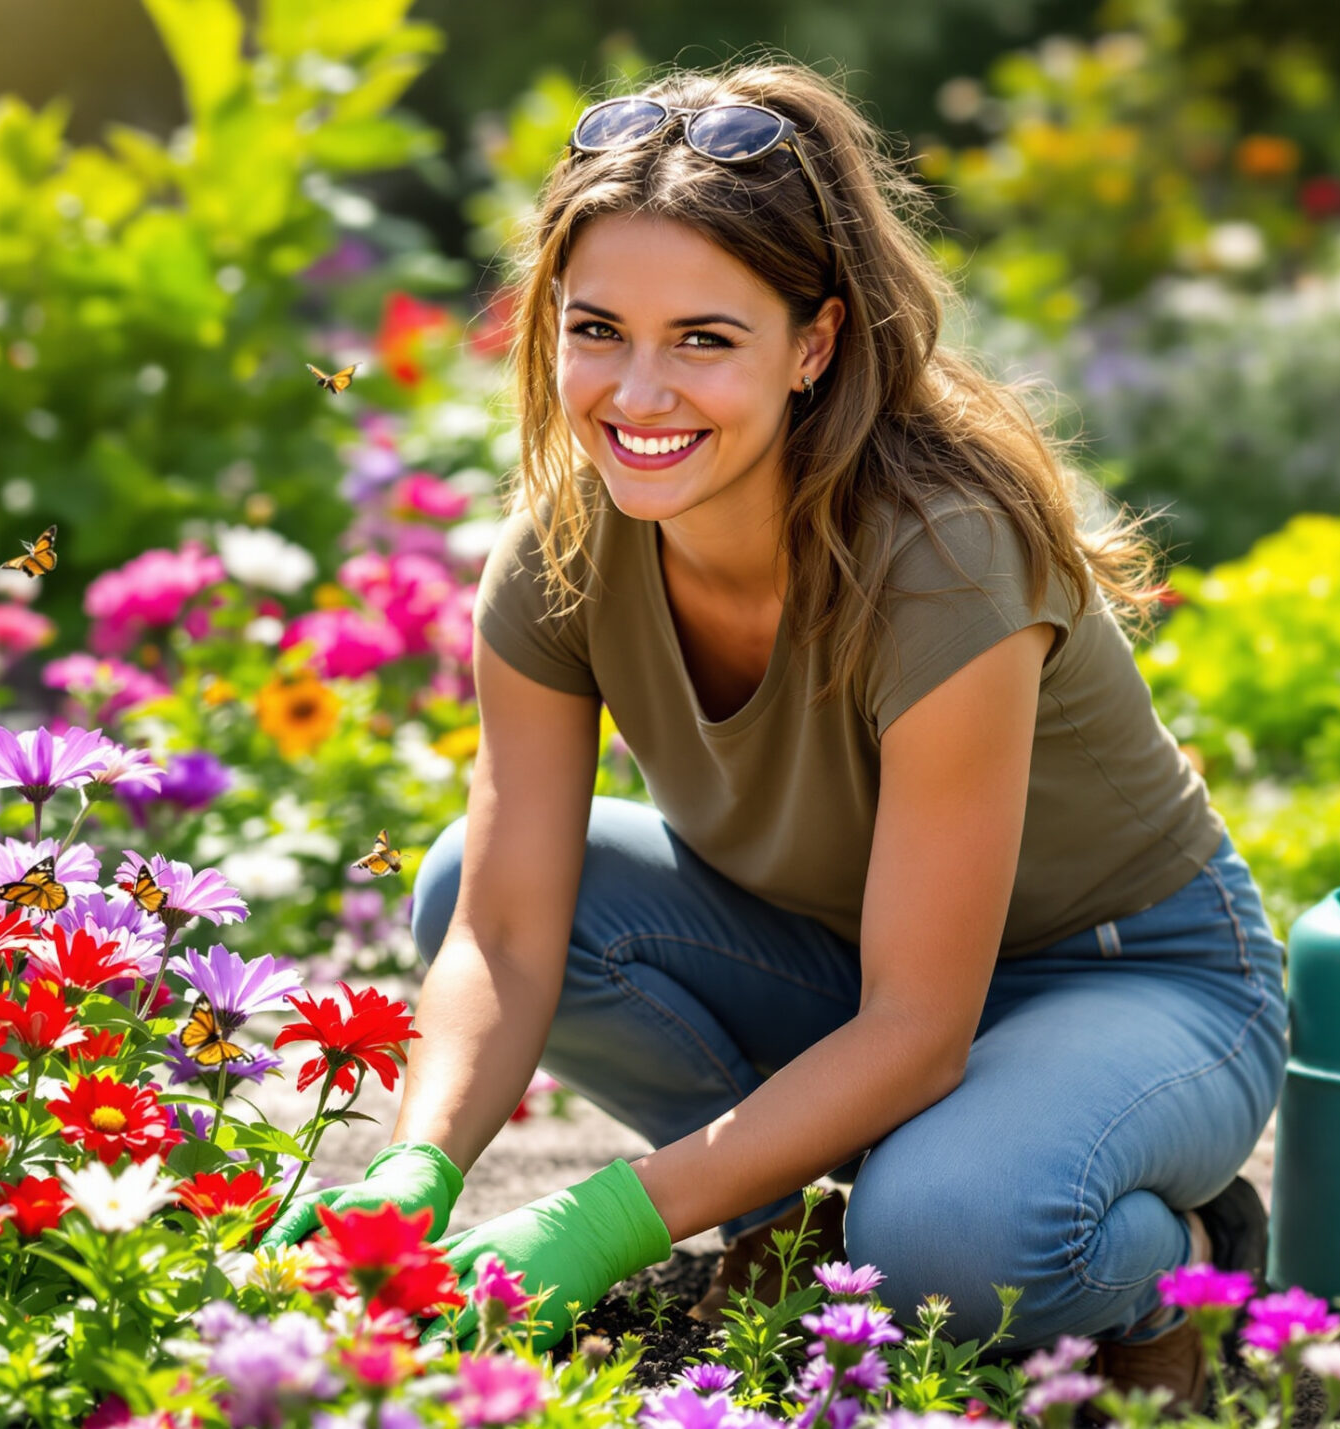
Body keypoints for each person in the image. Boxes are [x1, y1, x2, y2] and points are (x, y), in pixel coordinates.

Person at [261, 60, 1286, 1404]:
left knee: (941, 1246)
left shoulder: (940, 556)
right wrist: (417, 1170)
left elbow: (921, 1025)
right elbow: (506, 930)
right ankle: (794, 1220)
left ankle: (1189, 1250)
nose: (636, 393)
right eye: (595, 328)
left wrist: (608, 1217)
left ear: (813, 344)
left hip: (1129, 979)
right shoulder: (565, 553)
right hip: (859, 966)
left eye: (704, 338)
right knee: (471, 873)